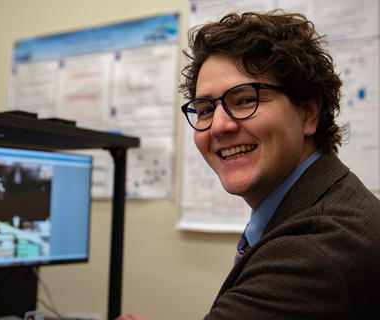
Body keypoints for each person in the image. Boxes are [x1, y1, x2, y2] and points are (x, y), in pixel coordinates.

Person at [116, 10, 380, 320]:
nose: (218, 126)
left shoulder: (312, 252)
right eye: (204, 109)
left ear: (308, 113)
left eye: (244, 100)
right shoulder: (329, 201)